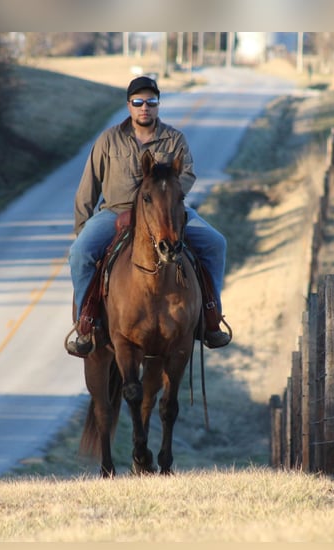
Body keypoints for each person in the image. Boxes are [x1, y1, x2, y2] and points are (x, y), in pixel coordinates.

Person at [66, 75, 231, 357]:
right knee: (79, 253)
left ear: (158, 105)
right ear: (129, 105)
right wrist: (83, 228)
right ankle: (86, 321)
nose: (145, 107)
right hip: (115, 212)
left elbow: (187, 174)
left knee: (216, 243)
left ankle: (210, 318)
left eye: (151, 102)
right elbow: (88, 186)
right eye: (138, 102)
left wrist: (168, 199)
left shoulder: (174, 139)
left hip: (167, 212)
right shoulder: (109, 140)